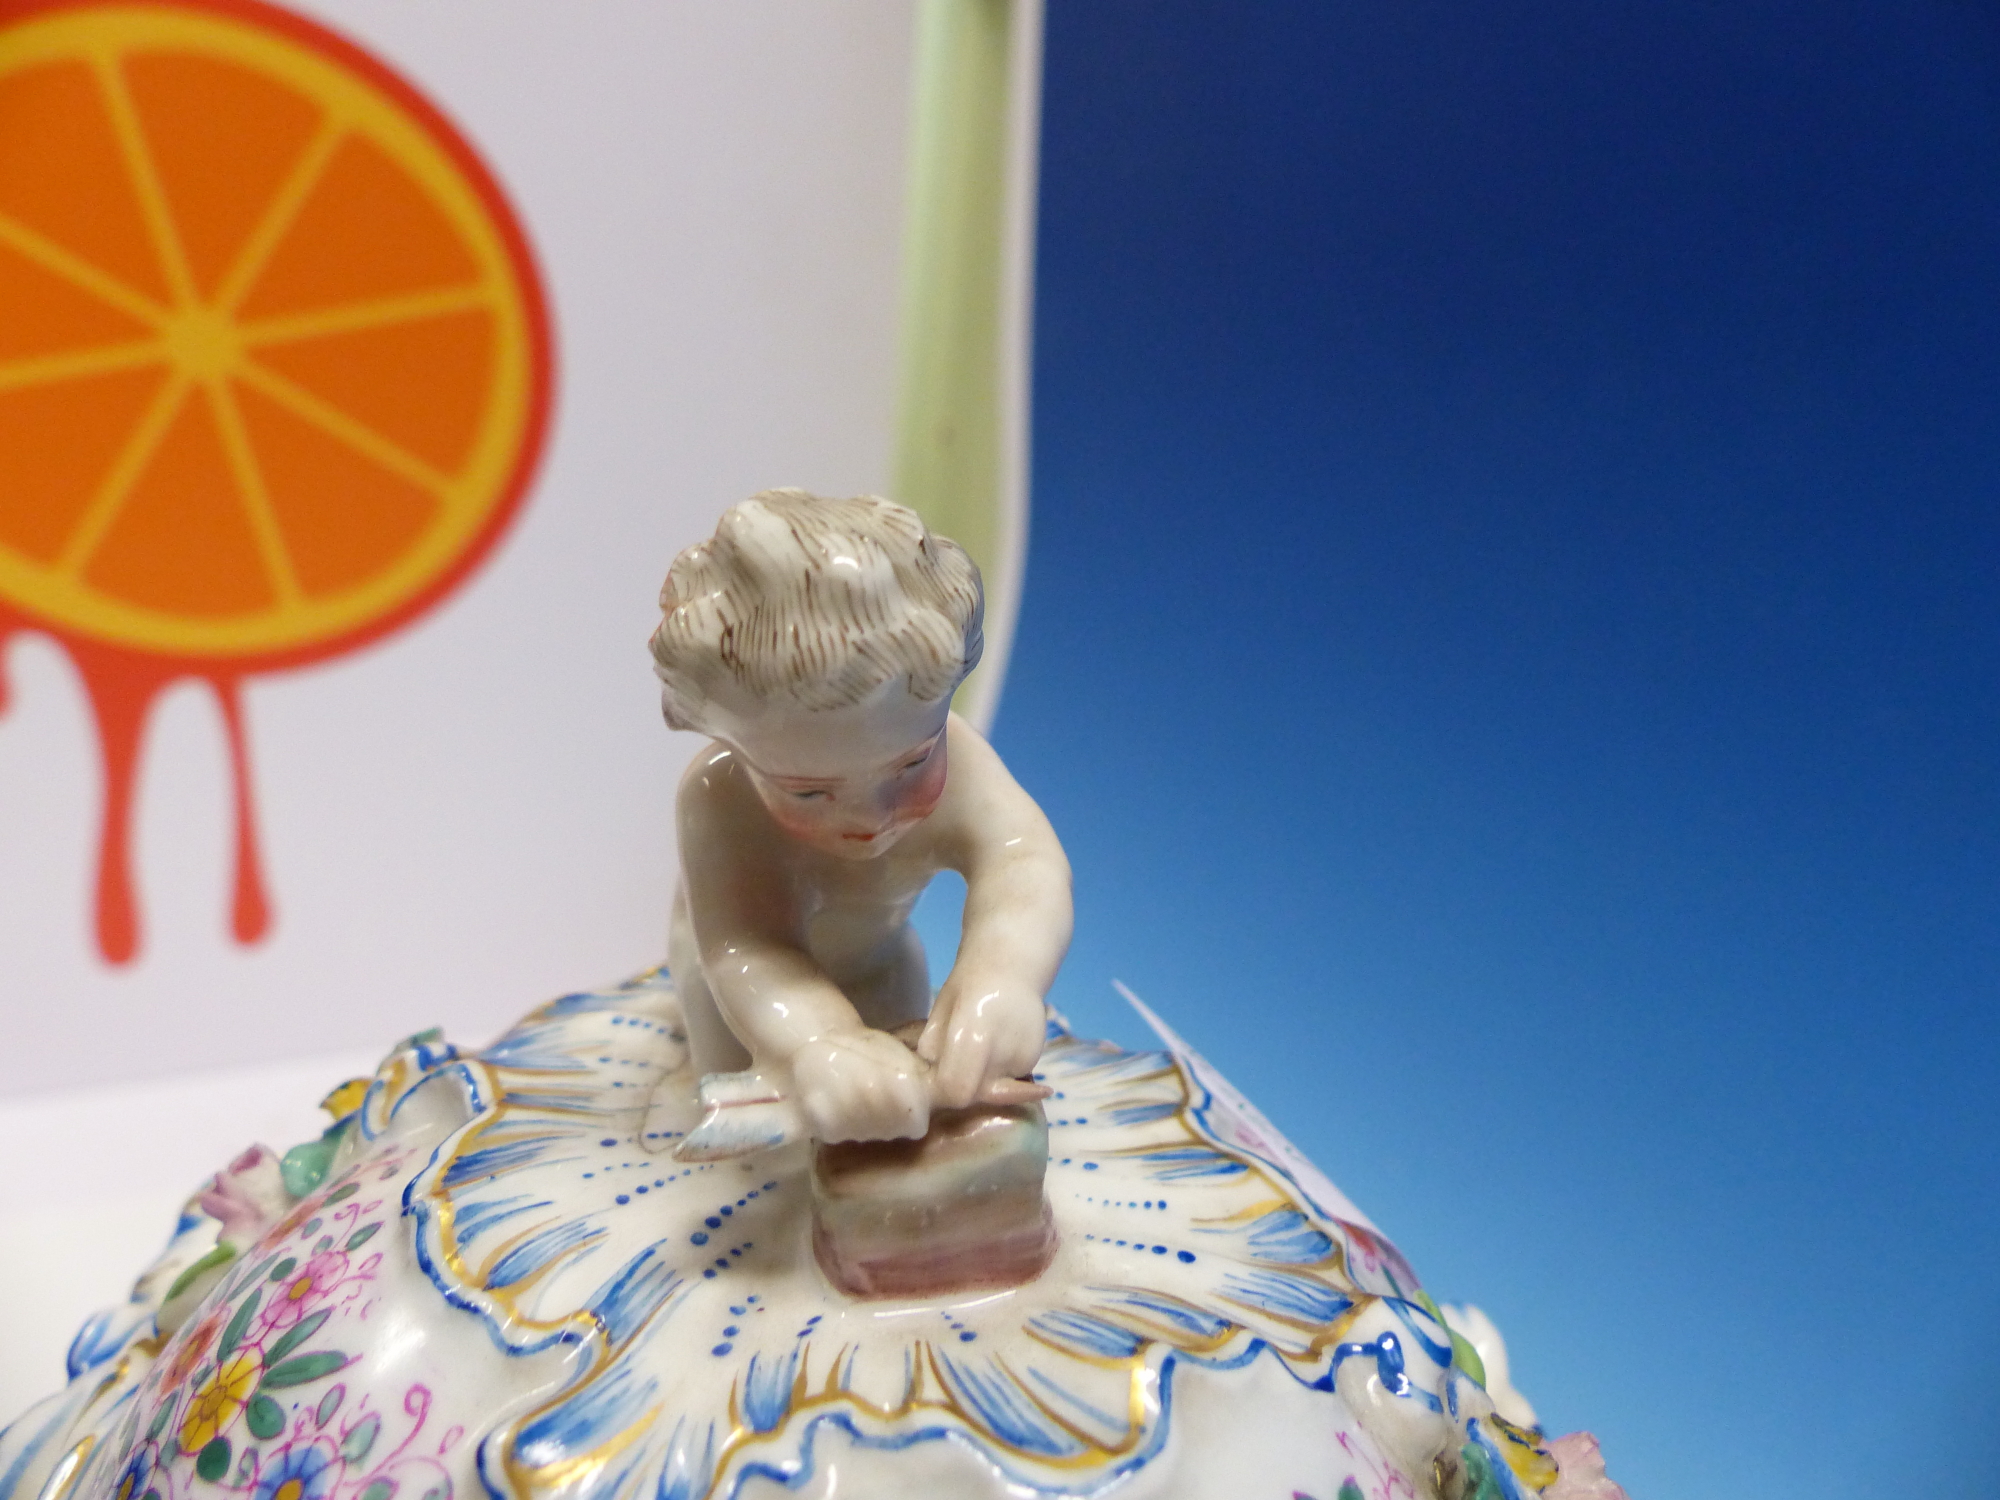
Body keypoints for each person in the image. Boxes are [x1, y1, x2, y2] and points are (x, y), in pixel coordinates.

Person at [651, 489, 1072, 1143]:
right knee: (761, 1148)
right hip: (737, 998)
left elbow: (1021, 859)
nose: (872, 820)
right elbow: (746, 946)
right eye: (810, 793)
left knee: (914, 1113)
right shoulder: (715, 798)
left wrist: (1003, 977)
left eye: (910, 766)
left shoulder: (958, 753)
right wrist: (815, 1041)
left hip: (882, 959)